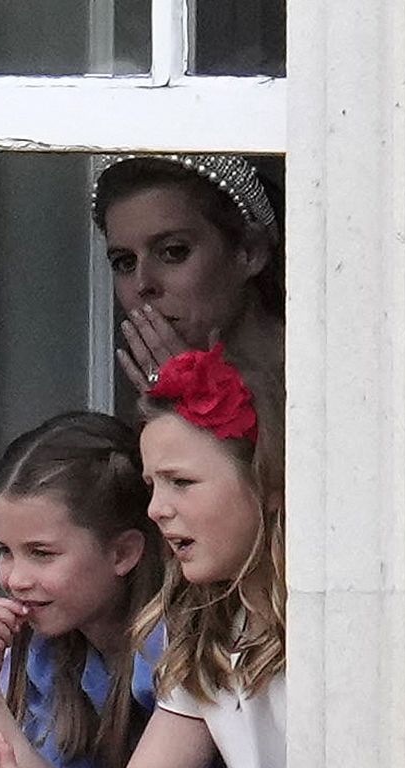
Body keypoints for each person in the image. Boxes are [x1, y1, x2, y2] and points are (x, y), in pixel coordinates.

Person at [0, 345, 285, 768]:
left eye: (181, 483)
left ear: (266, 482)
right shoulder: (210, 628)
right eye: (152, 486)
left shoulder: (319, 622)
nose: (158, 509)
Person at [0, 410, 230, 768]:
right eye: (5, 551)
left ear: (122, 553)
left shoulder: (176, 640)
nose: (15, 579)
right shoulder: (51, 651)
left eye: (42, 553)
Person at [92, 152, 283, 511]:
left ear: (249, 251)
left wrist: (201, 404)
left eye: (173, 252)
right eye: (124, 262)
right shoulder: (144, 394)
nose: (143, 283)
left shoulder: (325, 378)